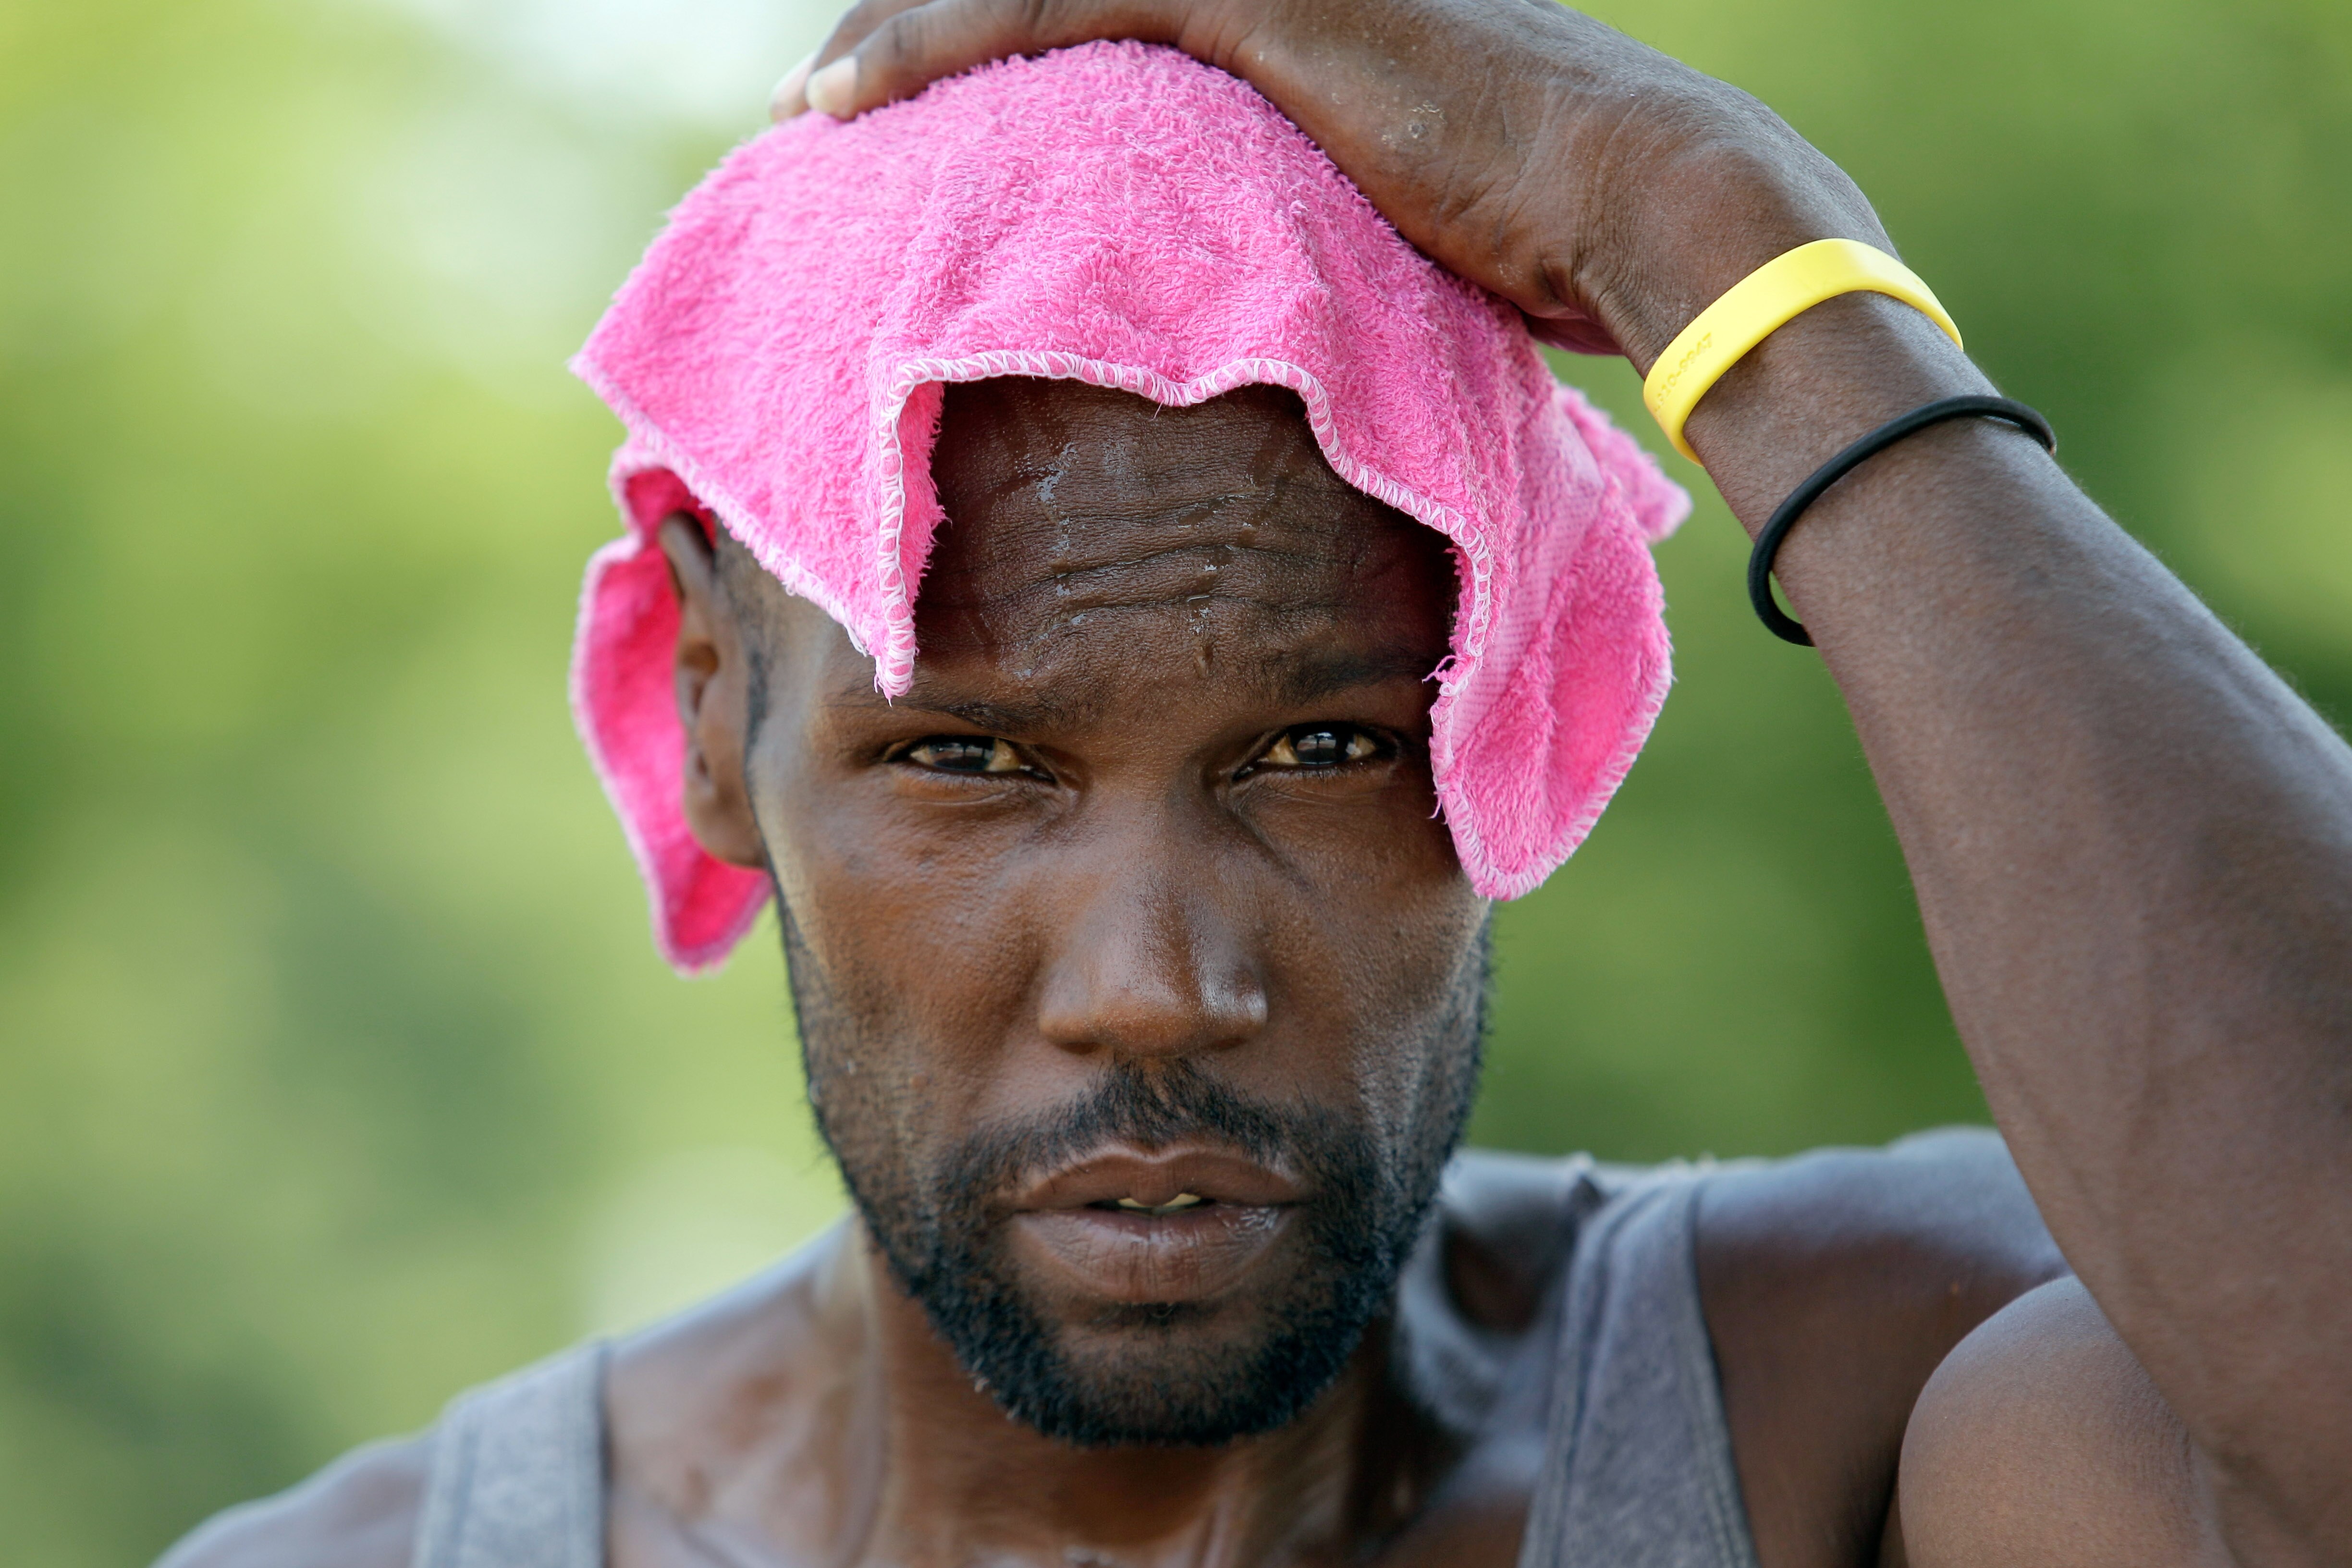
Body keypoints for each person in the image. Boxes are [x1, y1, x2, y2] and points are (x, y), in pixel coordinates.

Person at [161, 3, 2352, 1566]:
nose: (1154, 986)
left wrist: (1724, 248)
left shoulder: (1858, 1404)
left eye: (1325, 750)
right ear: (717, 709)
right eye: (969, 759)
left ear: (1516, 707)